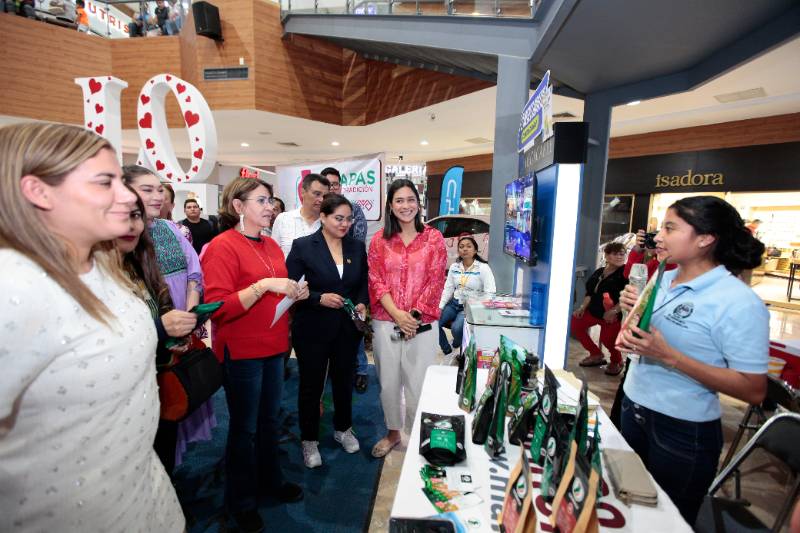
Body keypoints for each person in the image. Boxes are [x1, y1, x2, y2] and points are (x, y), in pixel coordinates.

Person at [0, 122, 184, 531]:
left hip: (136, 492)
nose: (128, 196)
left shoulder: (103, 264)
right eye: (105, 182)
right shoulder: (13, 286)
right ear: (38, 192)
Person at [616, 195, 768, 524]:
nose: (658, 237)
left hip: (682, 432)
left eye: (670, 228)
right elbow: (640, 340)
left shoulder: (738, 302)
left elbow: (754, 390)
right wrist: (631, 312)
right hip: (633, 408)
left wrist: (670, 356)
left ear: (705, 239)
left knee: (667, 522)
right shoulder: (661, 278)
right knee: (628, 511)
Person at [202, 178, 309, 533]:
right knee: (245, 428)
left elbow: (277, 289)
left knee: (269, 421)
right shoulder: (222, 246)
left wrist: (294, 292)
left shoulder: (271, 245)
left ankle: (270, 481)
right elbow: (218, 308)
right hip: (242, 350)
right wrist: (263, 286)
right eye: (261, 200)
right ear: (238, 205)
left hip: (275, 345)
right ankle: (241, 501)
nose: (270, 207)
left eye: (271, 201)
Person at [122, 165, 208, 473]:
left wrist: (189, 318)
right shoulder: (113, 243)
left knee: (172, 403)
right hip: (141, 340)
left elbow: (194, 272)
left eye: (159, 189)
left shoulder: (169, 229)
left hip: (175, 321)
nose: (158, 196)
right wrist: (164, 328)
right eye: (147, 190)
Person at [286, 193, 369, 468]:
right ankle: (309, 439)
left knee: (344, 381)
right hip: (312, 327)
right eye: (338, 218)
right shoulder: (303, 246)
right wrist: (318, 298)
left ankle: (343, 428)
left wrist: (362, 302)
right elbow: (291, 286)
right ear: (322, 217)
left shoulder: (356, 247)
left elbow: (363, 283)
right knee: (311, 385)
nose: (345, 224)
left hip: (347, 328)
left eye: (349, 219)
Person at [368, 179, 447, 457]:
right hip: (386, 321)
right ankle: (392, 432)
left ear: (418, 203)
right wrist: (397, 315)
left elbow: (436, 279)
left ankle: (417, 435)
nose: (405, 206)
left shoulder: (433, 238)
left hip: (421, 324)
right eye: (399, 200)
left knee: (418, 381)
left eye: (410, 199)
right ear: (390, 206)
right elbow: (376, 280)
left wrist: (412, 317)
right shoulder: (379, 240)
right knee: (388, 381)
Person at [116, 187, 197, 355]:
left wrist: (169, 334)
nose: (133, 225)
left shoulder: (138, 267)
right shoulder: (96, 272)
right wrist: (162, 329)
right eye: (123, 216)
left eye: (137, 216)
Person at [321, 167, 370, 392]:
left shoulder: (354, 210)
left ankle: (361, 370)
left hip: (349, 286)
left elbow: (358, 244)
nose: (332, 188)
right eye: (327, 184)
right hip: (323, 295)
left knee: (354, 329)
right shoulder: (319, 212)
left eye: (335, 184)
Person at [572, 241, 628, 376]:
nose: (619, 257)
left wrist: (614, 311)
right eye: (615, 254)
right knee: (575, 324)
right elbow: (590, 293)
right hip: (594, 311)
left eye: (622, 254)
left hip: (612, 315)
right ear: (607, 256)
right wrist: (582, 308)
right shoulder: (599, 271)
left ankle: (617, 361)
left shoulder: (625, 273)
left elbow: (627, 296)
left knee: (608, 339)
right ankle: (596, 354)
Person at [438, 235, 496, 355]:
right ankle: (447, 349)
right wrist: (440, 306)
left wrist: (480, 310)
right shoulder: (454, 267)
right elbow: (448, 289)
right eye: (461, 247)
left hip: (469, 306)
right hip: (454, 303)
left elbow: (490, 292)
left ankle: (457, 343)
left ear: (475, 250)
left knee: (457, 329)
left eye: (469, 246)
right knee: (433, 322)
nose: (465, 249)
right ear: (458, 251)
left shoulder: (483, 268)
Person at [270, 173, 330, 257]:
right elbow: (272, 254)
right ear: (303, 192)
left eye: (325, 196)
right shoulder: (283, 219)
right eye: (317, 194)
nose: (321, 199)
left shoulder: (329, 224)